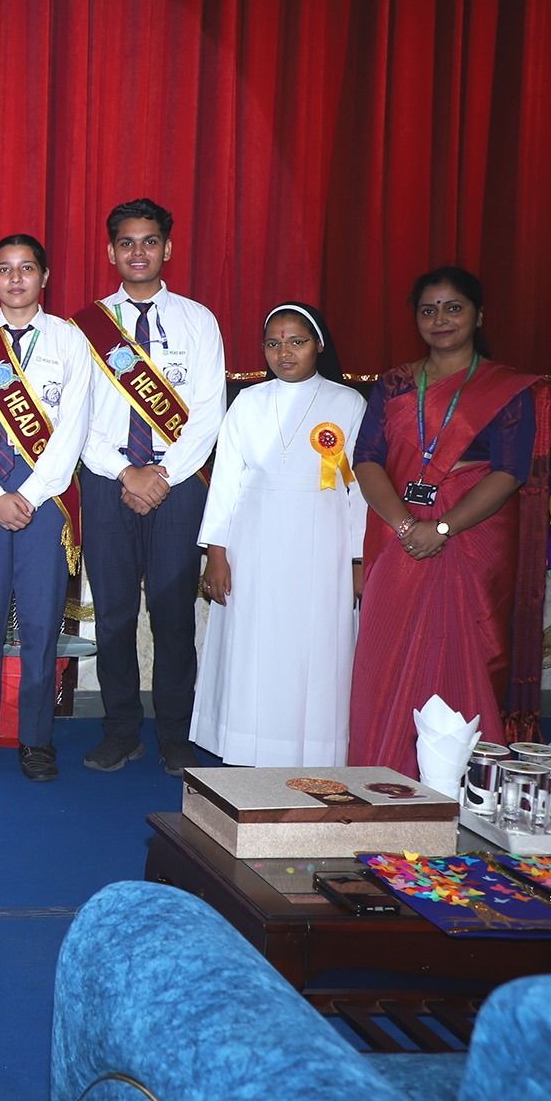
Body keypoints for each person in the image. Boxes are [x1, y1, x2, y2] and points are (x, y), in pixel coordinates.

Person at [349, 268, 548, 776]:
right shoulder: (394, 383)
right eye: (428, 310)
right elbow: (366, 458)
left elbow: (509, 472)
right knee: (386, 650)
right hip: (399, 535)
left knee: (469, 652)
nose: (441, 319)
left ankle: (462, 781)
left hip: (473, 536)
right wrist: (405, 526)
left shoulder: (505, 389)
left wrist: (441, 528)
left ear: (479, 316)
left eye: (454, 307)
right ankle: (382, 775)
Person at [71, 197, 226, 777]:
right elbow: (76, 417)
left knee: (172, 614)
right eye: (127, 243)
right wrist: (125, 472)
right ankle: (120, 731)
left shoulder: (198, 320)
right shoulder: (83, 327)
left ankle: (175, 734)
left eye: (150, 241)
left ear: (167, 248)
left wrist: (163, 475)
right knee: (113, 615)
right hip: (107, 482)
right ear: (111, 252)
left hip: (177, 484)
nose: (139, 252)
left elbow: (208, 412)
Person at [193, 303, 365, 767]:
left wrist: (357, 559)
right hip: (253, 541)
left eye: (296, 342)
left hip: (323, 543)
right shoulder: (247, 401)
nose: (283, 352)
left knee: (315, 647)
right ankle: (244, 744)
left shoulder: (348, 404)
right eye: (273, 343)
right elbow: (226, 481)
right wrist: (216, 553)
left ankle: (315, 751)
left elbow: (357, 490)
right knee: (253, 645)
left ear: (319, 345)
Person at [0, 236, 92, 779]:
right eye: (4, 270)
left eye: (26, 268)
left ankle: (36, 738)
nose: (15, 279)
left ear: (44, 276)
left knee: (39, 619)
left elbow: (73, 426)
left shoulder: (69, 340)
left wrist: (28, 495)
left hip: (45, 495)